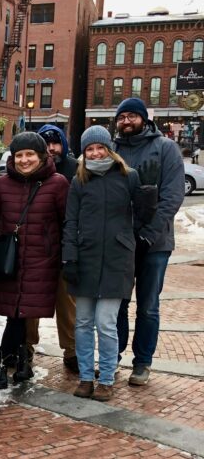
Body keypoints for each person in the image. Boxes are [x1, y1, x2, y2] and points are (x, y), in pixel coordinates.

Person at [62, 126, 158, 402]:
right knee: (82, 322)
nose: (95, 153)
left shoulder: (129, 176)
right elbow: (70, 222)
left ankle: (105, 379)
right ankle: (85, 377)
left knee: (105, 323)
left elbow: (144, 215)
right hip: (85, 258)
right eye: (89, 149)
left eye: (99, 147)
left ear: (109, 149)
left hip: (117, 261)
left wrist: (148, 190)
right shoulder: (79, 181)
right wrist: (69, 257)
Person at [0, 132, 69, 389]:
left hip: (41, 262)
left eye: (30, 155)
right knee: (14, 313)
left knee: (22, 312)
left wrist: (67, 260)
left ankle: (9, 361)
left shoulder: (58, 184)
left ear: (42, 156)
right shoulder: (2, 185)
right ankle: (12, 360)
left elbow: (67, 225)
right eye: (19, 155)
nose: (24, 160)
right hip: (9, 261)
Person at [113, 98, 185, 387]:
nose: (126, 121)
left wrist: (148, 234)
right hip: (120, 242)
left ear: (144, 118)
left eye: (132, 116)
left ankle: (142, 362)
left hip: (155, 244)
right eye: (122, 117)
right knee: (116, 304)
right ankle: (112, 356)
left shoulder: (165, 148)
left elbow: (173, 196)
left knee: (148, 305)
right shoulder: (113, 149)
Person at [27, 124, 79, 373]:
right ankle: (26, 347)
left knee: (68, 304)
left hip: (65, 247)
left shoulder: (76, 171)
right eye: (46, 144)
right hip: (36, 249)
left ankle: (72, 351)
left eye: (55, 143)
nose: (51, 148)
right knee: (31, 303)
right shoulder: (30, 171)